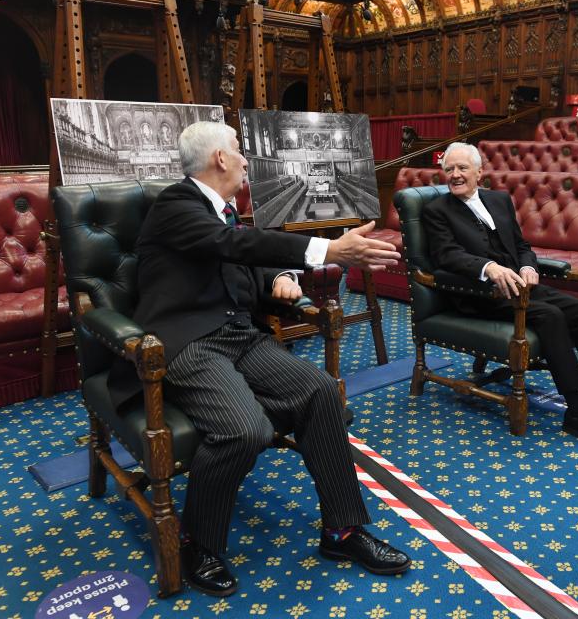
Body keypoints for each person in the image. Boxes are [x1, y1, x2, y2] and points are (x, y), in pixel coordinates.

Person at [109, 121, 409, 597]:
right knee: (246, 429)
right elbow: (231, 245)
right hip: (189, 343)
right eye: (238, 151)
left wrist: (281, 277)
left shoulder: (222, 213)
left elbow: (246, 255)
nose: (247, 159)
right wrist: (329, 248)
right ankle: (199, 543)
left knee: (320, 392)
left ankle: (343, 531)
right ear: (220, 160)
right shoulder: (176, 204)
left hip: (239, 336)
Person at [421, 142, 578, 449]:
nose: (455, 175)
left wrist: (528, 266)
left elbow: (521, 246)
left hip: (522, 286)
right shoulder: (436, 210)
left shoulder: (499, 200)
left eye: (463, 168)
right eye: (449, 169)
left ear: (479, 172)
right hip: (480, 294)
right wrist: (488, 268)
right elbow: (447, 255)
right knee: (551, 316)